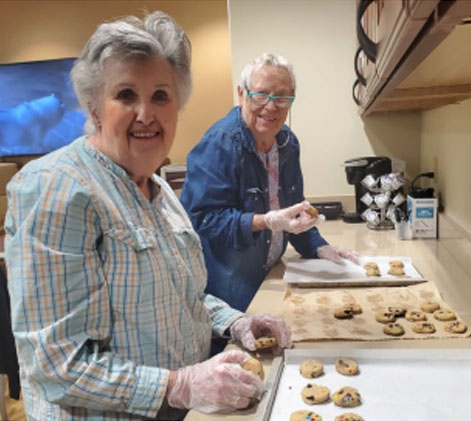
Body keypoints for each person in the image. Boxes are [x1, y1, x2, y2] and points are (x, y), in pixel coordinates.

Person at [4, 13, 291, 421]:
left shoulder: (158, 188)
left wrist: (237, 323)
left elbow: (180, 299)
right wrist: (179, 386)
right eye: (125, 94)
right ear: (94, 106)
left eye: (161, 95)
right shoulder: (56, 188)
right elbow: (55, 364)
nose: (145, 113)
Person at [180, 53, 360, 312]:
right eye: (261, 95)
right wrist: (266, 221)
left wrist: (320, 248)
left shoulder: (288, 142)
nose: (271, 106)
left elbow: (293, 214)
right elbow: (203, 221)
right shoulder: (220, 144)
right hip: (228, 290)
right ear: (242, 93)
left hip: (270, 275)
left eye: (282, 97)